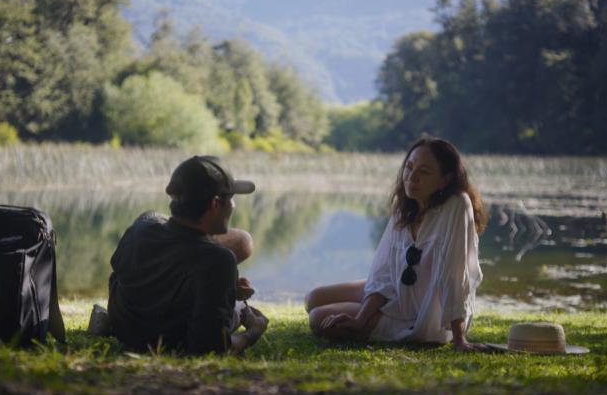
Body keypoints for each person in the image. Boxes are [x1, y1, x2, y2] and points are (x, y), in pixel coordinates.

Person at [304, 137, 490, 352]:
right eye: (409, 168)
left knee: (317, 317)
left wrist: (459, 339)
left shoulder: (457, 204)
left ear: (445, 180)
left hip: (426, 314)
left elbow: (456, 273)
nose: (412, 177)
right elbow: (384, 273)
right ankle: (365, 320)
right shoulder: (406, 207)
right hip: (397, 290)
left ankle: (389, 325)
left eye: (424, 172)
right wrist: (360, 319)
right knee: (314, 298)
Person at [107, 155, 268, 355]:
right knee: (236, 311)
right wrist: (253, 332)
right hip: (166, 343)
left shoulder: (143, 224)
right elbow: (210, 351)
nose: (234, 205)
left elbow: (120, 271)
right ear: (215, 204)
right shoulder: (218, 259)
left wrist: (225, 288)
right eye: (231, 198)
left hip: (125, 330)